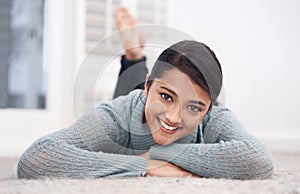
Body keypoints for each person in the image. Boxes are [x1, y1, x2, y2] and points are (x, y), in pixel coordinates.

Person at [17, 7, 274, 179]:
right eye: (167, 96)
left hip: (148, 102)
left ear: (209, 107)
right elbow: (37, 159)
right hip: (133, 108)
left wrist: (159, 154)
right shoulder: (116, 114)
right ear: (149, 87)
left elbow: (258, 161)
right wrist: (144, 166)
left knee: (157, 106)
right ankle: (134, 57)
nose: (174, 117)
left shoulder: (215, 118)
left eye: (194, 107)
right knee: (128, 94)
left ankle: (137, 58)